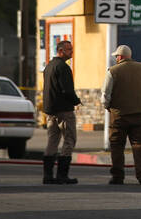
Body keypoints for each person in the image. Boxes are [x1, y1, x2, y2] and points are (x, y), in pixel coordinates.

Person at [103, 44, 141, 185]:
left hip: (119, 115)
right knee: (139, 145)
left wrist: (107, 106)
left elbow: (106, 94)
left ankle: (118, 177)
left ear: (120, 57)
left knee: (117, 146)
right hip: (139, 114)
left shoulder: (113, 71)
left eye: (116, 57)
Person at [42, 40, 81, 185]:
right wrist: (76, 100)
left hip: (50, 111)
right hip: (64, 110)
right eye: (69, 49)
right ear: (60, 51)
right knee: (69, 140)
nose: (71, 52)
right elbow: (67, 90)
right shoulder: (63, 67)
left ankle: (47, 176)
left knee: (52, 141)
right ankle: (62, 175)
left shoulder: (49, 66)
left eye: (71, 49)